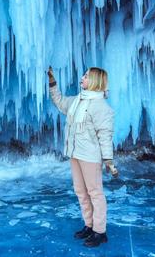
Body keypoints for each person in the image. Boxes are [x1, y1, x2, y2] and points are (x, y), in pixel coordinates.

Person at [47, 66, 118, 248]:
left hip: (90, 156)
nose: (82, 78)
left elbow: (105, 134)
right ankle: (89, 225)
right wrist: (52, 82)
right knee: (80, 191)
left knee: (95, 193)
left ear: (94, 81)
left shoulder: (101, 107)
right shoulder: (78, 100)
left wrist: (108, 160)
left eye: (86, 76)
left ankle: (100, 232)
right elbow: (60, 101)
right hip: (75, 153)